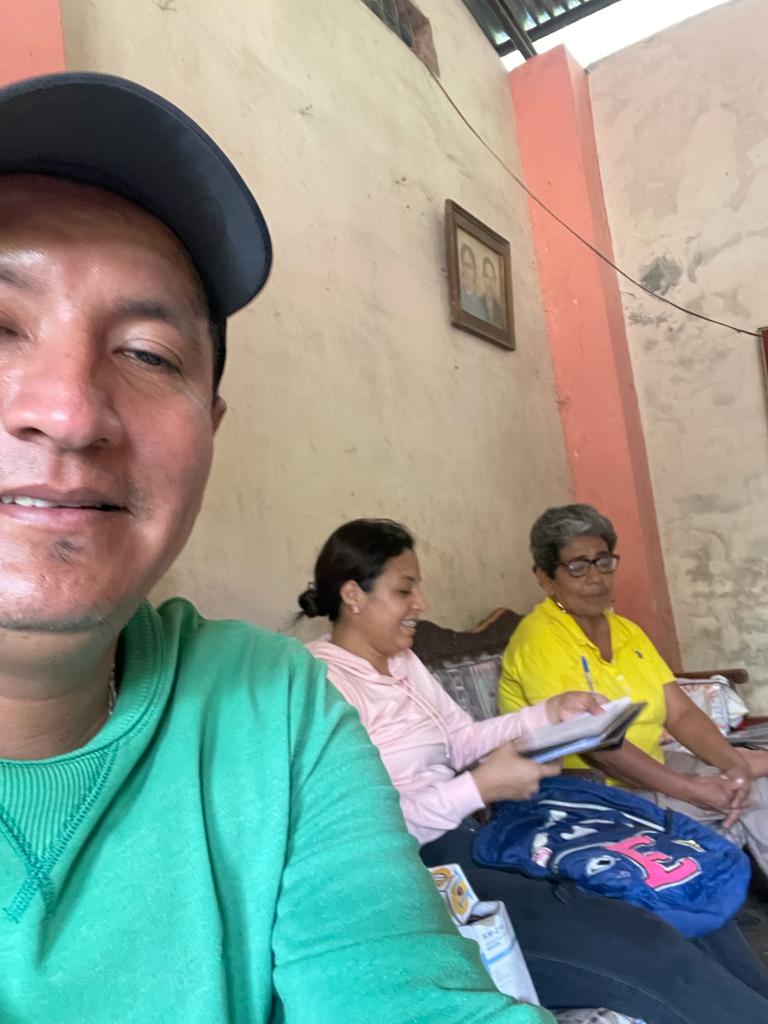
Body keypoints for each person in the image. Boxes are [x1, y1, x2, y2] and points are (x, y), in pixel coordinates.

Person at [0, 71, 554, 1024]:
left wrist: (535, 731)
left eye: (148, 354)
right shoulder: (329, 675)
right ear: (351, 595)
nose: (69, 411)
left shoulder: (272, 704)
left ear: (210, 430)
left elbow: (405, 992)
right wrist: (479, 787)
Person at [302, 517, 768, 1024]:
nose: (421, 603)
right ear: (353, 594)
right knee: (645, 945)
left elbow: (461, 739)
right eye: (404, 590)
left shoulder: (400, 662)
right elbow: (366, 832)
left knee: (676, 886)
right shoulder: (319, 685)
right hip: (427, 874)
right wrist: (480, 787)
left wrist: (548, 713)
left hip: (484, 835)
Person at [498, 503, 768, 877]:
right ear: (545, 578)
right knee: (729, 801)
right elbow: (599, 749)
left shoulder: (626, 631)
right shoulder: (541, 639)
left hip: (653, 768)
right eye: (577, 567)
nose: (596, 578)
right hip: (588, 790)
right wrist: (691, 789)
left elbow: (681, 713)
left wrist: (733, 765)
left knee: (751, 785)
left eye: (603, 561)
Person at [459, 241, 488, 319]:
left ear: (474, 271)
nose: (467, 271)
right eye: (465, 265)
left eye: (470, 267)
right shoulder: (459, 296)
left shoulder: (480, 305)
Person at [482, 254, 505, 328]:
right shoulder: (478, 302)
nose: (489, 283)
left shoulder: (499, 309)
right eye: (487, 277)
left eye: (492, 278)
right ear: (483, 278)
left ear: (495, 281)